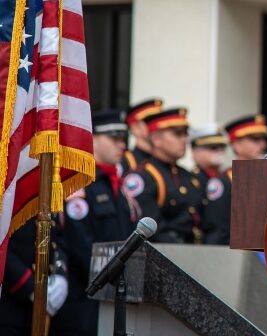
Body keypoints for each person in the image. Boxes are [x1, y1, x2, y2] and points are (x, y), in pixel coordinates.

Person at [53, 109, 138, 336]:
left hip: (113, 295)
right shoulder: (79, 182)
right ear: (93, 139)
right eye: (114, 139)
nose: (122, 145)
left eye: (123, 139)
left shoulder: (116, 185)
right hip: (84, 297)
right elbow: (80, 244)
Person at [122, 108, 205, 243]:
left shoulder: (190, 177)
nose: (184, 140)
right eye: (178, 134)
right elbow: (153, 232)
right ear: (156, 139)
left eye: (185, 134)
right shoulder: (143, 177)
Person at [0, 219, 68, 336]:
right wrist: (30, 286)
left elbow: (57, 238)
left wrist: (61, 274)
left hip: (45, 311)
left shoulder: (44, 201)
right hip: (8, 308)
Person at [190, 124, 231, 244]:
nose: (219, 151)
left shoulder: (228, 180)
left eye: (222, 146)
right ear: (195, 151)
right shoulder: (190, 181)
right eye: (212, 147)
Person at [120, 98, 163, 173]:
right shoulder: (124, 162)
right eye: (150, 121)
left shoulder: (166, 161)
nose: (157, 125)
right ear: (135, 128)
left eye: (159, 120)